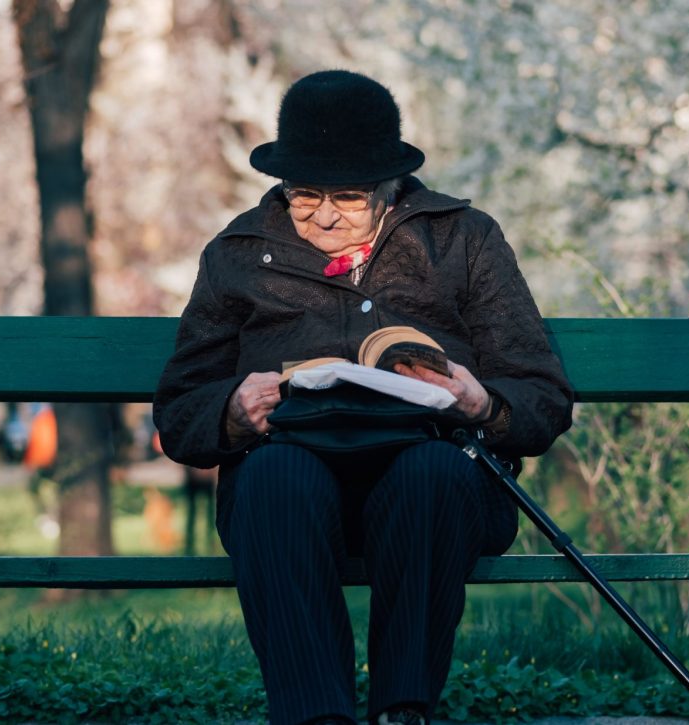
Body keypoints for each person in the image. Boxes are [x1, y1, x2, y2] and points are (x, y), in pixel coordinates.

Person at [154, 70, 574, 725]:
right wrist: (232, 412)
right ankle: (316, 716)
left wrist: (479, 403)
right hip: (290, 477)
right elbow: (181, 410)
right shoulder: (237, 254)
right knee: (273, 479)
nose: (324, 214)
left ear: (388, 188)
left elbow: (543, 395)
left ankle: (402, 710)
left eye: (348, 197)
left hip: (432, 479)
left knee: (430, 475)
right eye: (304, 196)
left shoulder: (463, 240)